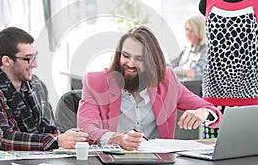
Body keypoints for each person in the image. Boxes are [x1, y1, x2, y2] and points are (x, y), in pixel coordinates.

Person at [77, 26, 222, 151]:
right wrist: (117, 139)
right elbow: (86, 128)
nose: (131, 64)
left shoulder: (167, 80)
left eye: (139, 59)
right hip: (113, 160)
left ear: (152, 61)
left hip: (158, 161)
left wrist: (203, 113)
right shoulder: (96, 81)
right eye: (126, 56)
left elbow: (212, 111)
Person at [0, 27, 88, 151]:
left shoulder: (36, 84)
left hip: (43, 157)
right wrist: (57, 140)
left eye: (34, 57)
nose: (35, 64)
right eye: (28, 59)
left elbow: (50, 129)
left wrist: (66, 138)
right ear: (7, 60)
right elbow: (5, 139)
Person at [198, 0, 258, 138]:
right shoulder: (207, 0)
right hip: (214, 93)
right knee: (210, 152)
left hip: (251, 92)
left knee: (250, 151)